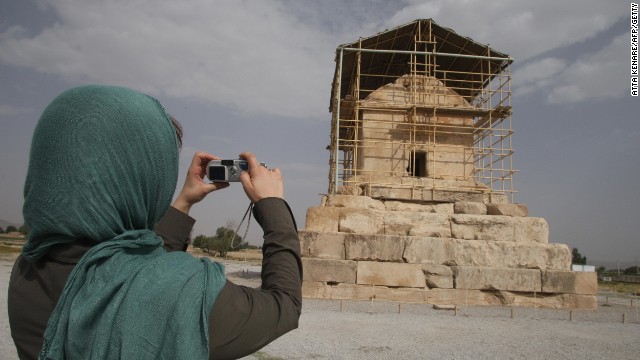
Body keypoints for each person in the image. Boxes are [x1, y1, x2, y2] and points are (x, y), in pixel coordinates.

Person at [7, 85, 302, 360]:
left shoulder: (27, 273)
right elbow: (283, 305)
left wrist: (184, 201)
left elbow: (138, 269)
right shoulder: (182, 294)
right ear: (146, 177)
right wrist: (272, 205)